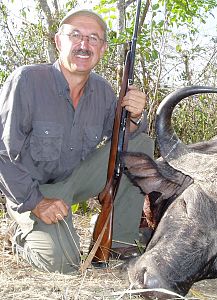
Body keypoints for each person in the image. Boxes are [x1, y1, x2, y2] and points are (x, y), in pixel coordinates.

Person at [0, 8, 154, 274]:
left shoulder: (103, 91)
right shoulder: (26, 80)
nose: (84, 44)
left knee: (141, 145)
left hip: (72, 182)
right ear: (59, 41)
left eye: (94, 38)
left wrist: (134, 116)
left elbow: (122, 141)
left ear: (103, 48)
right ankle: (21, 236)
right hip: (31, 190)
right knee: (64, 263)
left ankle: (118, 240)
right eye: (76, 35)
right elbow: (2, 152)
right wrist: (36, 202)